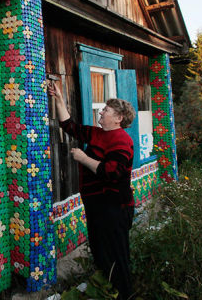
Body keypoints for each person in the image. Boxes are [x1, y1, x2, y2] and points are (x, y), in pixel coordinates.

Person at [48, 80, 136, 299]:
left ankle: (124, 294)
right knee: (100, 251)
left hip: (115, 208)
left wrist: (83, 158)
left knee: (117, 255)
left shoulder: (122, 140)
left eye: (106, 110)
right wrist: (58, 98)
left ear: (119, 118)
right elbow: (69, 126)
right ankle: (107, 290)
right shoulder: (98, 133)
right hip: (97, 206)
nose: (101, 112)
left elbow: (112, 173)